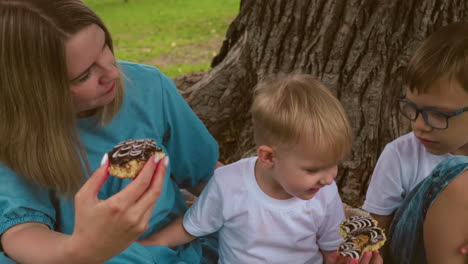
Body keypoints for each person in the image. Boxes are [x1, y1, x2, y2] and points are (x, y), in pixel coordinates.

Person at [0, 0, 219, 263]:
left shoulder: (149, 86)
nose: (113, 72)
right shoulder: (13, 132)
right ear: (35, 90)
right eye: (84, 75)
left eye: (105, 47)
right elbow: (22, 232)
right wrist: (84, 249)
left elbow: (205, 175)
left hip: (172, 252)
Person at [140, 74, 382, 264]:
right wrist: (145, 247)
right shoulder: (228, 184)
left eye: (334, 165)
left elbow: (331, 249)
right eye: (313, 170)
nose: (329, 179)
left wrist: (346, 257)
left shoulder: (324, 193)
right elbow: (190, 227)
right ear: (268, 157)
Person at [362, 22, 468, 264]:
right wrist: (360, 254)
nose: (420, 124)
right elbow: (374, 224)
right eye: (412, 108)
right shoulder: (401, 154)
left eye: (439, 114)